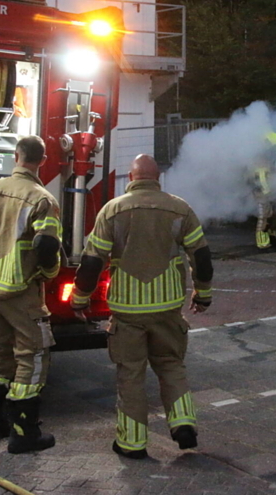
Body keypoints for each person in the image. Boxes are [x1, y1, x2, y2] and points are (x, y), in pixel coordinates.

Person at [70, 154, 213, 459]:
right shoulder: (180, 208)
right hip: (167, 307)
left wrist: (80, 299)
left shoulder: (112, 210)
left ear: (132, 178)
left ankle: (132, 443)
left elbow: (92, 261)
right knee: (172, 365)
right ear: (158, 178)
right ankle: (183, 422)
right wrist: (203, 294)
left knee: (131, 375)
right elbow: (201, 257)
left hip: (128, 312)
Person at [0, 135, 62, 454]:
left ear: (16, 156)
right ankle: (24, 434)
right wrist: (46, 274)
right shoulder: (43, 198)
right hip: (20, 292)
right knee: (32, 357)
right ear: (42, 161)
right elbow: (47, 246)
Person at [251, 132, 276, 252]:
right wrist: (267, 191)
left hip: (272, 192)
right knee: (264, 217)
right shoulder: (260, 159)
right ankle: (263, 243)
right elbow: (261, 177)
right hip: (263, 193)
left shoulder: (271, 158)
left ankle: (272, 237)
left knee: (275, 217)